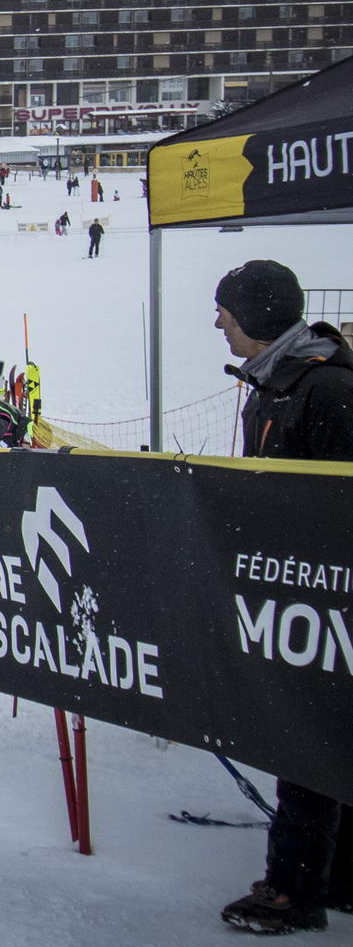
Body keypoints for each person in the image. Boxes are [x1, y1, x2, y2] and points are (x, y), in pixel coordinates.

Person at [214, 260, 353, 934]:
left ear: (255, 317)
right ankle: (332, 877)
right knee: (321, 737)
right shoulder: (272, 382)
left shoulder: (323, 386)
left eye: (226, 313)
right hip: (286, 588)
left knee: (310, 738)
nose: (217, 323)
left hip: (320, 597)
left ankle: (294, 889)